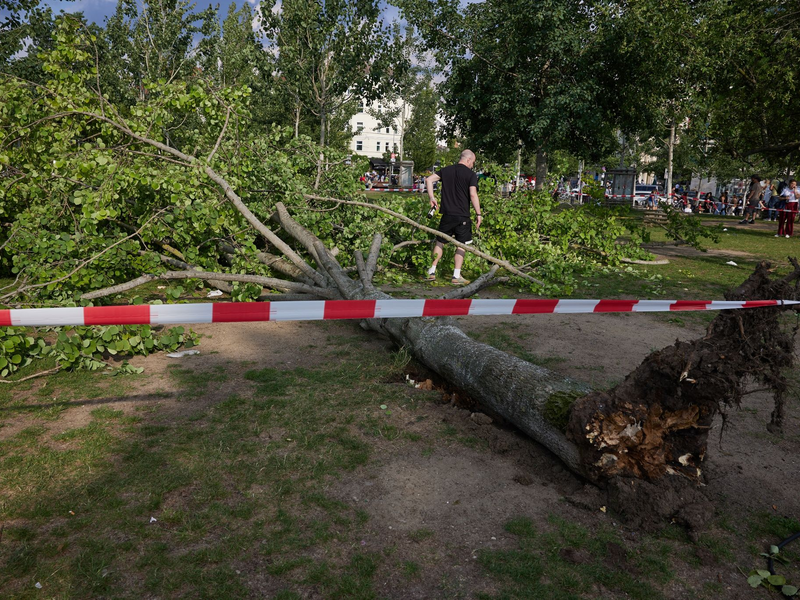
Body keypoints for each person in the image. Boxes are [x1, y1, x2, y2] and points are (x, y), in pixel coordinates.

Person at [424, 149, 483, 285]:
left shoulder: (446, 170)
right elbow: (473, 195)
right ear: (468, 160)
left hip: (447, 214)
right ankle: (456, 276)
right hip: (462, 216)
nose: (472, 165)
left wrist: (432, 198)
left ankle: (431, 271)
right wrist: (478, 214)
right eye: (472, 162)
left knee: (440, 242)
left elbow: (429, 180)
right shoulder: (471, 175)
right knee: (461, 245)